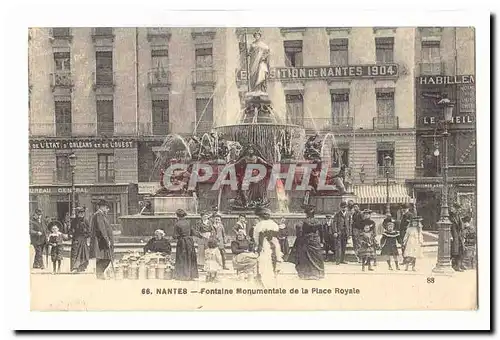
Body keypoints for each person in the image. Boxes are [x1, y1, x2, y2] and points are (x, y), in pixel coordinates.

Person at [288, 206, 325, 280]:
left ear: (307, 214)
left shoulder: (303, 222)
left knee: (305, 258)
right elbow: (321, 232)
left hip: (306, 240)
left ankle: (306, 274)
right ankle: (318, 273)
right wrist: (321, 241)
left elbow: (300, 232)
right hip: (315, 241)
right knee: (317, 258)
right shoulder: (318, 222)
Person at [252, 207, 283, 287]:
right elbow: (277, 234)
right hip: (274, 243)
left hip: (265, 244)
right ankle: (273, 280)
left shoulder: (260, 224)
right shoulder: (273, 224)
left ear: (260, 216)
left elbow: (260, 236)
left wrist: (259, 246)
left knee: (264, 262)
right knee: (274, 260)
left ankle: (263, 280)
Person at [173, 209, 201, 281]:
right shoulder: (188, 222)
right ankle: (191, 275)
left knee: (182, 258)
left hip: (182, 242)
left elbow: (175, 236)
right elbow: (193, 232)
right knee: (190, 257)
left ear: (177, 216)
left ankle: (183, 275)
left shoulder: (177, 224)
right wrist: (200, 236)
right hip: (189, 241)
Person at [90, 199, 114, 280]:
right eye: (107, 208)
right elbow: (102, 228)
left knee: (104, 258)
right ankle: (100, 274)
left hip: (101, 240)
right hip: (101, 241)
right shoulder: (99, 215)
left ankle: (100, 274)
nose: (108, 210)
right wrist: (107, 240)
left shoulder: (101, 215)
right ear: (102, 207)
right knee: (106, 258)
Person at [69, 207, 91, 273]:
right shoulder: (74, 221)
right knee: (74, 253)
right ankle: (73, 268)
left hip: (83, 239)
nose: (81, 214)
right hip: (76, 238)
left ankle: (82, 267)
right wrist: (70, 234)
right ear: (77, 213)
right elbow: (71, 229)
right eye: (80, 213)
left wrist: (86, 235)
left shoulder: (86, 221)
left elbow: (89, 231)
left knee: (83, 253)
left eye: (83, 213)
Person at [450, 204, 466, 271]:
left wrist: (463, 236)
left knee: (460, 250)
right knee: (454, 251)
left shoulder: (458, 216)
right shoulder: (450, 216)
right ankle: (454, 266)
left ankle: (459, 265)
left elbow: (461, 226)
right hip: (453, 235)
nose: (452, 209)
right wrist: (450, 236)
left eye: (453, 208)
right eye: (453, 208)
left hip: (458, 235)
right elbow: (449, 226)